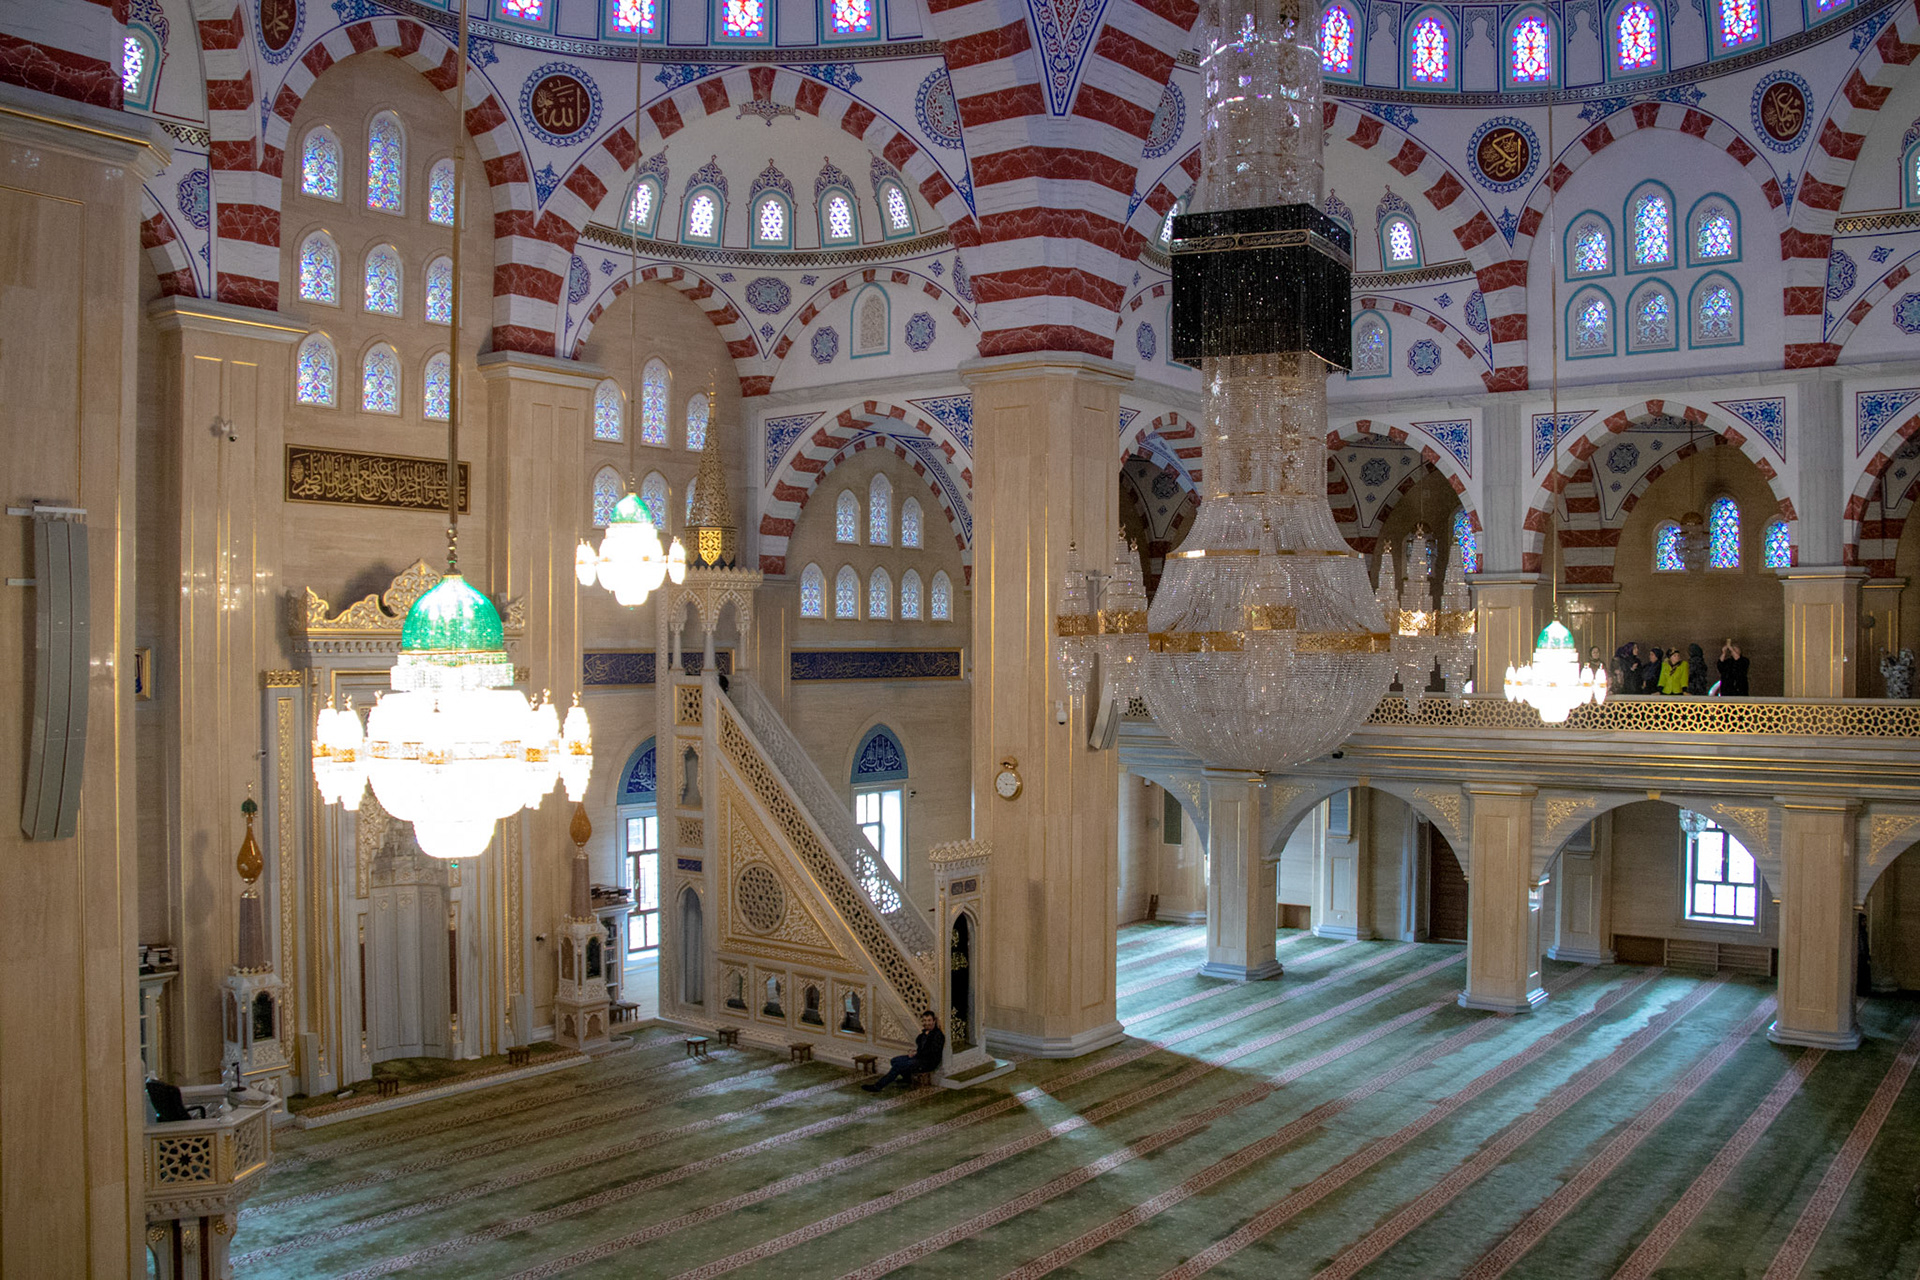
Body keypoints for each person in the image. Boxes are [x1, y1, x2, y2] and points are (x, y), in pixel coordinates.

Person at [863, 1011, 945, 1091]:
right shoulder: (924, 1034)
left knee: (899, 1066)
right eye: (925, 1020)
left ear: (934, 1021)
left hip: (928, 1062)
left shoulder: (938, 1035)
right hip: (918, 1058)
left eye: (929, 1020)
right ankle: (907, 1079)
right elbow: (921, 1047)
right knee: (894, 1061)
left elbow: (931, 1052)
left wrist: (917, 1053)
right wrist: (912, 1052)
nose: (927, 1023)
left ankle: (878, 1086)